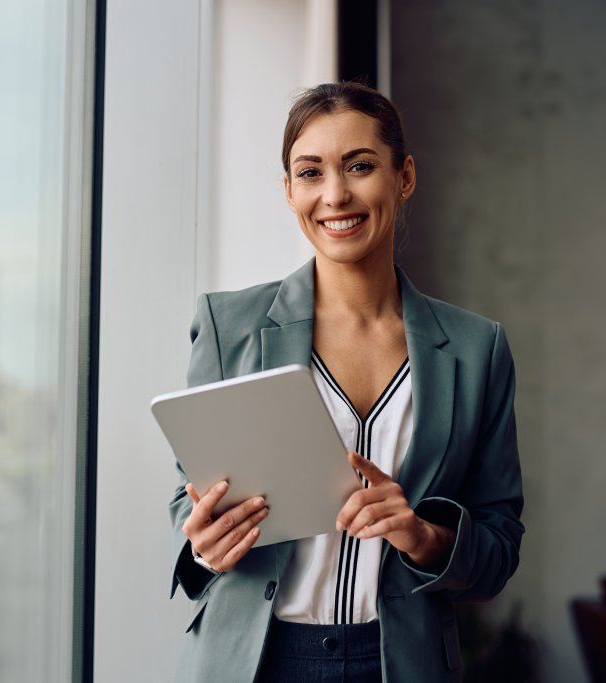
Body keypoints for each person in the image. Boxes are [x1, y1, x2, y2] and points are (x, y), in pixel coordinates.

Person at [167, 82, 524, 683]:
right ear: (289, 190)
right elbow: (189, 499)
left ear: (404, 177)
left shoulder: (476, 349)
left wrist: (422, 536)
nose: (335, 195)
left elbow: (498, 548)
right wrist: (204, 547)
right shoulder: (229, 326)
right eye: (310, 173)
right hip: (254, 663)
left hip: (399, 664)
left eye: (359, 166)